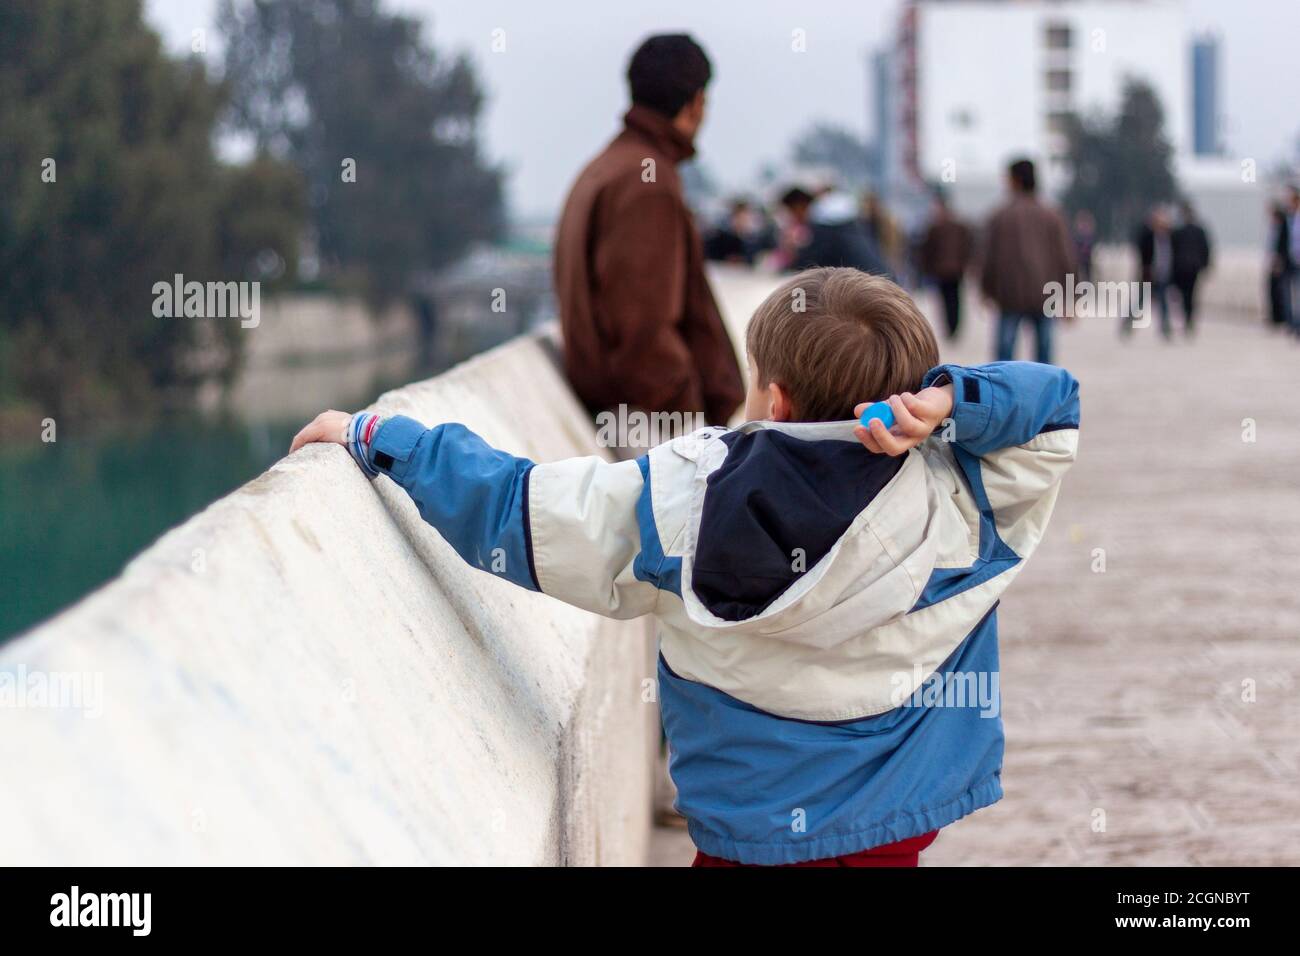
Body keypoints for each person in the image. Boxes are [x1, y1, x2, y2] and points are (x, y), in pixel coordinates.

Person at [289, 266, 1080, 867]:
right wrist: (954, 401)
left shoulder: (680, 494)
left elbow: (515, 510)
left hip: (746, 838)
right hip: (895, 830)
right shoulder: (969, 489)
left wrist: (382, 439)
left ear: (772, 399)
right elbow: (1054, 407)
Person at [553, 34, 743, 428]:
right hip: (652, 423)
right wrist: (690, 423)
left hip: (626, 414)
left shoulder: (610, 165)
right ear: (696, 103)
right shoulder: (647, 180)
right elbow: (643, 330)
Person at [980, 158, 1075, 364]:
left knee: (1004, 358)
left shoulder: (1000, 216)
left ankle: (1005, 393)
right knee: (1044, 357)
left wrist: (985, 290)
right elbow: (1065, 258)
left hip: (1009, 295)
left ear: (1015, 180)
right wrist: (1071, 298)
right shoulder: (1052, 215)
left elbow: (987, 258)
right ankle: (1042, 394)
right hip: (1045, 294)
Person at [779, 187, 889, 277]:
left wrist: (792, 248)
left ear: (799, 205)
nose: (793, 219)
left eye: (791, 212)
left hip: (867, 291)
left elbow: (807, 266)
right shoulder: (843, 224)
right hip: (880, 285)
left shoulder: (825, 227)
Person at [918, 193, 974, 339]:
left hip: (942, 271)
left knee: (946, 301)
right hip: (955, 270)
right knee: (954, 300)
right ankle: (953, 327)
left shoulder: (934, 227)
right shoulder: (959, 226)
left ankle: (950, 327)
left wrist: (927, 268)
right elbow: (968, 247)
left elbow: (926, 251)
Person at [1169, 201, 1212, 336]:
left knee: (1188, 295)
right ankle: (1188, 319)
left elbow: (1205, 249)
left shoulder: (1180, 231)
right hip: (1189, 268)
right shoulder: (1194, 231)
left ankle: (1188, 319)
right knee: (1189, 295)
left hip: (1187, 268)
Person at [1133, 206, 1174, 338]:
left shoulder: (1169, 238)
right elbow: (1141, 252)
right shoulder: (1147, 237)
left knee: (1163, 302)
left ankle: (1165, 327)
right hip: (1148, 274)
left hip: (1163, 275)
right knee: (1140, 302)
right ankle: (1128, 322)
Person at [1268, 202, 1292, 330]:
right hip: (1277, 262)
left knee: (1285, 292)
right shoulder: (1274, 227)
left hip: (1285, 263)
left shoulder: (1283, 226)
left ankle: (1283, 319)